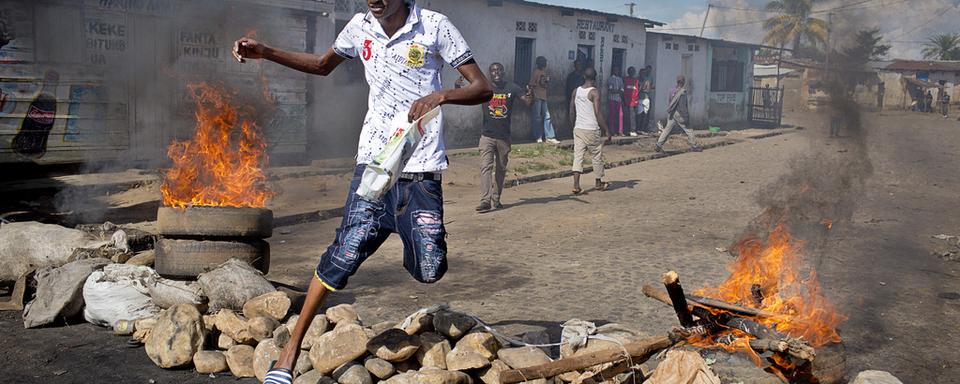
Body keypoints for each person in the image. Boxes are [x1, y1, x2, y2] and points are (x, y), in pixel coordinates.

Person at [232, 1, 493, 383]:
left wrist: (441, 97)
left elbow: (482, 87)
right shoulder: (359, 27)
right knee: (342, 254)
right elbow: (322, 66)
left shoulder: (435, 26)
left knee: (430, 268)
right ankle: (288, 355)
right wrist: (266, 52)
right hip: (373, 165)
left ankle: (391, 224)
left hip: (419, 170)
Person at [475, 62, 531, 212]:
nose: (496, 72)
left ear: (503, 71)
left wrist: (530, 95)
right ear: (490, 73)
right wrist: (457, 87)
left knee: (501, 169)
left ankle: (496, 198)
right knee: (486, 167)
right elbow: (467, 95)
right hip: (487, 135)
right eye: (493, 70)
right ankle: (485, 201)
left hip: (504, 138)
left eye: (499, 69)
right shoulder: (484, 87)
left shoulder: (512, 88)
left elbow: (527, 102)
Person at [569, 67, 612, 195]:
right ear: (595, 78)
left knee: (578, 157)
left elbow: (571, 110)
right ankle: (598, 183)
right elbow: (597, 112)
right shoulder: (594, 92)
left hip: (579, 128)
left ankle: (576, 185)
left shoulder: (576, 91)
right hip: (591, 128)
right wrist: (607, 129)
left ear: (583, 76)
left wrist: (573, 125)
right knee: (596, 155)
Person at [655, 76, 701, 153]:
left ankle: (658, 145)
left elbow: (670, 102)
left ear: (677, 81)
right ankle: (694, 145)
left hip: (672, 113)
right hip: (679, 113)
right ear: (683, 82)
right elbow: (682, 106)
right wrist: (686, 116)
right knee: (689, 129)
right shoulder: (683, 92)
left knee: (667, 129)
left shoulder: (671, 91)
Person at [530, 56, 559, 144]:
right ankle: (538, 136)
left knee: (547, 116)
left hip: (543, 97)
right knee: (538, 117)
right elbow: (531, 84)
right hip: (537, 97)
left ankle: (549, 136)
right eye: (544, 62)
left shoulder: (544, 72)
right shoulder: (536, 72)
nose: (545, 63)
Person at [606, 66, 624, 136]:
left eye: (617, 70)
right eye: (615, 70)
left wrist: (617, 91)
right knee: (612, 115)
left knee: (620, 115)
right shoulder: (610, 79)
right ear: (613, 71)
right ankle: (612, 131)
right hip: (612, 99)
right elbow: (611, 90)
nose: (616, 71)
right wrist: (618, 91)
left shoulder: (620, 79)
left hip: (619, 99)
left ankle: (620, 131)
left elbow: (622, 90)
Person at [623, 66, 640, 137]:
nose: (632, 73)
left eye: (633, 71)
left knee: (632, 117)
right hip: (626, 101)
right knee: (626, 117)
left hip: (633, 102)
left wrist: (636, 101)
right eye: (631, 71)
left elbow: (637, 91)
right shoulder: (625, 79)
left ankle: (632, 130)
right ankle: (626, 131)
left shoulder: (636, 81)